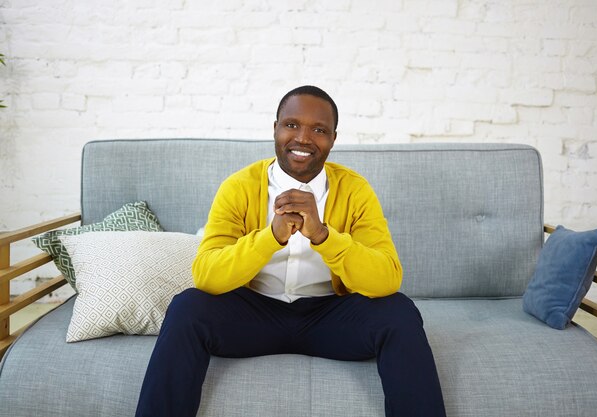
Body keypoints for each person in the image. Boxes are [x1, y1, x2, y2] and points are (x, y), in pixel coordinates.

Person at [135, 85, 446, 417]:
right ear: (276, 129)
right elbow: (207, 275)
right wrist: (271, 236)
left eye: (319, 130)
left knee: (399, 313)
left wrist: (323, 235)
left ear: (333, 139)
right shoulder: (239, 187)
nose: (304, 138)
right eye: (292, 125)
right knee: (187, 308)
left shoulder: (355, 190)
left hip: (330, 316)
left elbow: (386, 278)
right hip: (253, 316)